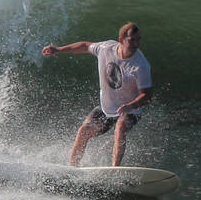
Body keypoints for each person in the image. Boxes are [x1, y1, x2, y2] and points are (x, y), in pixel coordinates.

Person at [42, 22, 153, 167]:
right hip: (108, 106)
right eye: (132, 40)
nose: (136, 44)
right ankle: (71, 169)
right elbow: (85, 46)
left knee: (120, 127)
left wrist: (130, 106)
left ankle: (114, 169)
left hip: (131, 109)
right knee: (83, 131)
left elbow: (147, 95)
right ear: (121, 40)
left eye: (138, 40)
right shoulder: (106, 48)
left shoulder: (140, 65)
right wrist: (58, 49)